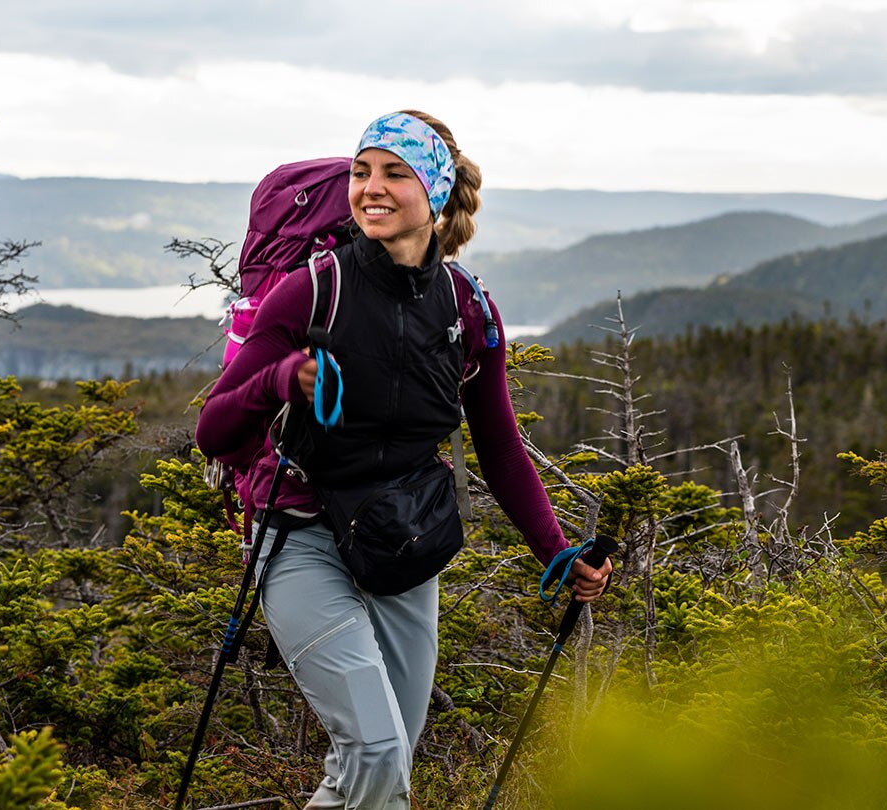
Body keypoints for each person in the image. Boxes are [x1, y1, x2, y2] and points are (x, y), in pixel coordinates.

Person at [194, 109, 609, 809]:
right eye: (361, 172)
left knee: (377, 767)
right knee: (377, 751)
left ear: (436, 194)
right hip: (298, 535)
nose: (370, 188)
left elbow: (500, 446)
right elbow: (215, 431)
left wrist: (557, 553)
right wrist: (280, 379)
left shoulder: (466, 306)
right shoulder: (311, 291)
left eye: (394, 173)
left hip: (401, 537)